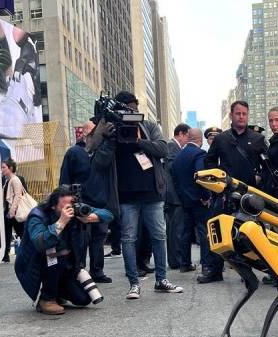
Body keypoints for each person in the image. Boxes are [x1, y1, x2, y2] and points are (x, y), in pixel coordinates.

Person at [113, 91, 183, 298]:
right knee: (128, 238)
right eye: (125, 108)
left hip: (152, 192)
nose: (130, 111)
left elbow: (163, 149)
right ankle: (134, 283)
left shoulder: (149, 126)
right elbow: (100, 154)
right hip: (126, 194)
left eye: (132, 107)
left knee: (159, 236)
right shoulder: (113, 128)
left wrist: (138, 141)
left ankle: (161, 280)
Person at [14, 186, 113, 315]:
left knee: (84, 299)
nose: (69, 210)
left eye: (70, 205)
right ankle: (46, 299)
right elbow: (40, 243)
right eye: (64, 207)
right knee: (57, 253)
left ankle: (57, 291)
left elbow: (109, 215)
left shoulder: (76, 208)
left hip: (68, 266)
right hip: (36, 264)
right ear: (53, 206)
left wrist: (90, 217)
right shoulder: (37, 215)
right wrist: (61, 222)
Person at [202, 101, 267, 283]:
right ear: (231, 115)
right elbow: (209, 161)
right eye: (238, 113)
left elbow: (267, 166)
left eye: (244, 114)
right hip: (225, 194)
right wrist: (218, 179)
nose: (241, 117)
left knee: (246, 234)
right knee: (217, 232)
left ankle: (247, 273)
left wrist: (259, 179)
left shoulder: (257, 139)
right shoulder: (221, 139)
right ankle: (215, 271)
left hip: (249, 197)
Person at [59, 120, 118, 284]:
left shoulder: (102, 151)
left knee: (98, 239)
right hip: (81, 202)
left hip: (100, 202)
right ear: (85, 133)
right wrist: (66, 202)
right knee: (80, 240)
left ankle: (97, 271)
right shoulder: (73, 153)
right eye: (93, 132)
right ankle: (79, 270)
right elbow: (65, 178)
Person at [172, 128, 210, 274]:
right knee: (203, 232)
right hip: (199, 200)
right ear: (200, 140)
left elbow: (175, 180)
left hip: (185, 200)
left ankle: (185, 263)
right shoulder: (200, 154)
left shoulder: (178, 155)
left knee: (186, 232)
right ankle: (206, 265)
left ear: (188, 138)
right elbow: (201, 176)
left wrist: (182, 196)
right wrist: (205, 197)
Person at [165, 123, 190, 269]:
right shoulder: (172, 147)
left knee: (176, 229)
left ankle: (177, 259)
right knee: (175, 230)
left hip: (174, 195)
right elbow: (173, 169)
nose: (187, 140)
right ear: (181, 134)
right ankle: (176, 260)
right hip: (174, 195)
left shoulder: (175, 148)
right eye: (187, 136)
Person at [1, 158, 24, 262]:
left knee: (21, 232)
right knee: (7, 232)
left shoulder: (14, 179)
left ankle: (28, 252)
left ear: (10, 168)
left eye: (4, 167)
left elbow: (18, 195)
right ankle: (5, 254)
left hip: (14, 212)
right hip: (9, 211)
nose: (2, 169)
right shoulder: (7, 180)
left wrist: (12, 210)